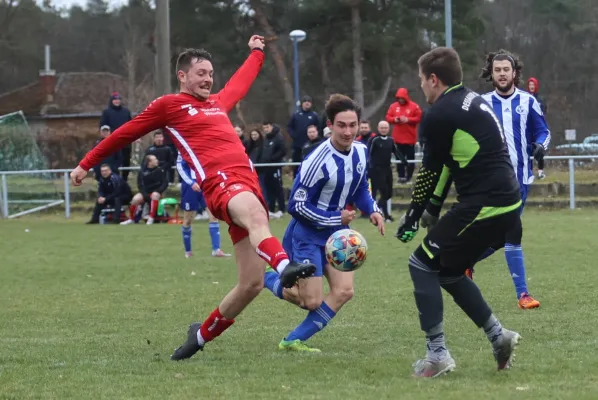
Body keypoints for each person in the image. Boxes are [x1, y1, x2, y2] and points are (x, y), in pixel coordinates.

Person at [69, 36, 316, 360]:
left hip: (246, 183)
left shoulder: (216, 103)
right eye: (201, 72)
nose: (208, 78)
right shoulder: (169, 105)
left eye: (211, 73)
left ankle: (198, 337)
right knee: (257, 217)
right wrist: (86, 163)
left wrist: (256, 52)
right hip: (221, 184)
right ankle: (285, 265)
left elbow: (240, 83)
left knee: (252, 284)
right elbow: (126, 132)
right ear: (183, 76)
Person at [395, 47, 522, 378]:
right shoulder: (472, 101)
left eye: (422, 81)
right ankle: (499, 336)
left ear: (434, 80)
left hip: (486, 203)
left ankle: (437, 356)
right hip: (505, 202)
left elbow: (428, 173)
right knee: (448, 271)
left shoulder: (439, 115)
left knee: (420, 263)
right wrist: (432, 210)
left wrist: (411, 218)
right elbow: (451, 164)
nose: (421, 87)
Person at [263, 94, 385, 352]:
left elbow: (360, 187)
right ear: (329, 125)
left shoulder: (362, 152)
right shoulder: (316, 160)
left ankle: (292, 340)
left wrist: (372, 209)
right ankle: (269, 278)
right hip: (306, 234)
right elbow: (295, 206)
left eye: (353, 125)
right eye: (341, 125)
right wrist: (334, 217)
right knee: (311, 301)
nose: (348, 131)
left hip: (338, 234)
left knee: (344, 291)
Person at [477, 49, 549, 309]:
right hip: (492, 181)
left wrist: (540, 145)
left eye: (506, 69)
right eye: (497, 70)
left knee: (501, 236)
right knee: (511, 233)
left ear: (514, 72)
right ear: (492, 74)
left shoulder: (528, 101)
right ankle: (523, 294)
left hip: (521, 179)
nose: (502, 74)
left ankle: (463, 261)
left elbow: (543, 132)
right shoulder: (482, 103)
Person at [177, 154, 231, 258]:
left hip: (206, 184)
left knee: (213, 215)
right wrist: (191, 182)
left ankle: (216, 250)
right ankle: (188, 251)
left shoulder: (205, 143)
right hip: (190, 186)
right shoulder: (184, 146)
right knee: (188, 220)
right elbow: (180, 166)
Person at [368, 120, 406, 222]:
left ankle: (379, 211)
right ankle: (382, 214)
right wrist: (370, 167)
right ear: (378, 128)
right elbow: (369, 154)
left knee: (388, 193)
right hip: (377, 170)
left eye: (385, 128)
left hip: (387, 168)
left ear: (388, 129)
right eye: (382, 128)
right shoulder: (374, 140)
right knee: (383, 192)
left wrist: (404, 161)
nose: (384, 130)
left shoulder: (390, 140)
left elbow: (395, 151)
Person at [385, 87, 422, 184]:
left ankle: (409, 177)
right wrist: (395, 119)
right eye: (399, 98)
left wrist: (408, 119)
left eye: (402, 98)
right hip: (397, 138)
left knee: (410, 159)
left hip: (410, 138)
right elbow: (388, 117)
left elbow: (419, 117)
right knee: (399, 159)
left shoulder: (414, 106)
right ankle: (401, 177)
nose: (401, 100)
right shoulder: (393, 106)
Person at [120, 154, 168, 225]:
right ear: (149, 162)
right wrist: (144, 193)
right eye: (155, 159)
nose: (157, 161)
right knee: (135, 199)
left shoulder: (160, 170)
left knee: (154, 195)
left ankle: (151, 218)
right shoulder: (142, 172)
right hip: (145, 192)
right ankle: (131, 219)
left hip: (156, 192)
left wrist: (158, 191)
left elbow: (165, 183)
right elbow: (140, 184)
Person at [100, 92, 133, 182]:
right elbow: (103, 126)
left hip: (125, 140)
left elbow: (132, 124)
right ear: (112, 101)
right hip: (113, 141)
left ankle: (125, 179)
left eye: (118, 99)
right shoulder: (107, 112)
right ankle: (114, 178)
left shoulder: (126, 111)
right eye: (115, 99)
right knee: (115, 160)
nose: (117, 101)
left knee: (126, 160)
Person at [287, 95, 320, 177]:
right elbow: (289, 127)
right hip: (298, 146)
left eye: (309, 102)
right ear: (302, 104)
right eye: (305, 101)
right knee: (297, 167)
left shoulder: (314, 115)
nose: (307, 103)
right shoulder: (296, 115)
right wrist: (294, 136)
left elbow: (319, 128)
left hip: (311, 146)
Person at [261, 121, 287, 218]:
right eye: (264, 128)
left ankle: (282, 209)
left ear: (271, 126)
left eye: (267, 127)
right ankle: (271, 209)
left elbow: (283, 150)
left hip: (275, 167)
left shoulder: (278, 137)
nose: (266, 129)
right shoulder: (266, 138)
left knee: (278, 187)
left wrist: (272, 159)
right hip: (267, 168)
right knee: (269, 188)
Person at [526, 77, 547, 179]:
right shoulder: (525, 98)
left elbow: (543, 113)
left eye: (533, 85)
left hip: (537, 129)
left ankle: (540, 172)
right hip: (528, 129)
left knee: (539, 149)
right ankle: (529, 172)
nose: (531, 87)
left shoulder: (540, 99)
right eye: (530, 85)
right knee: (528, 149)